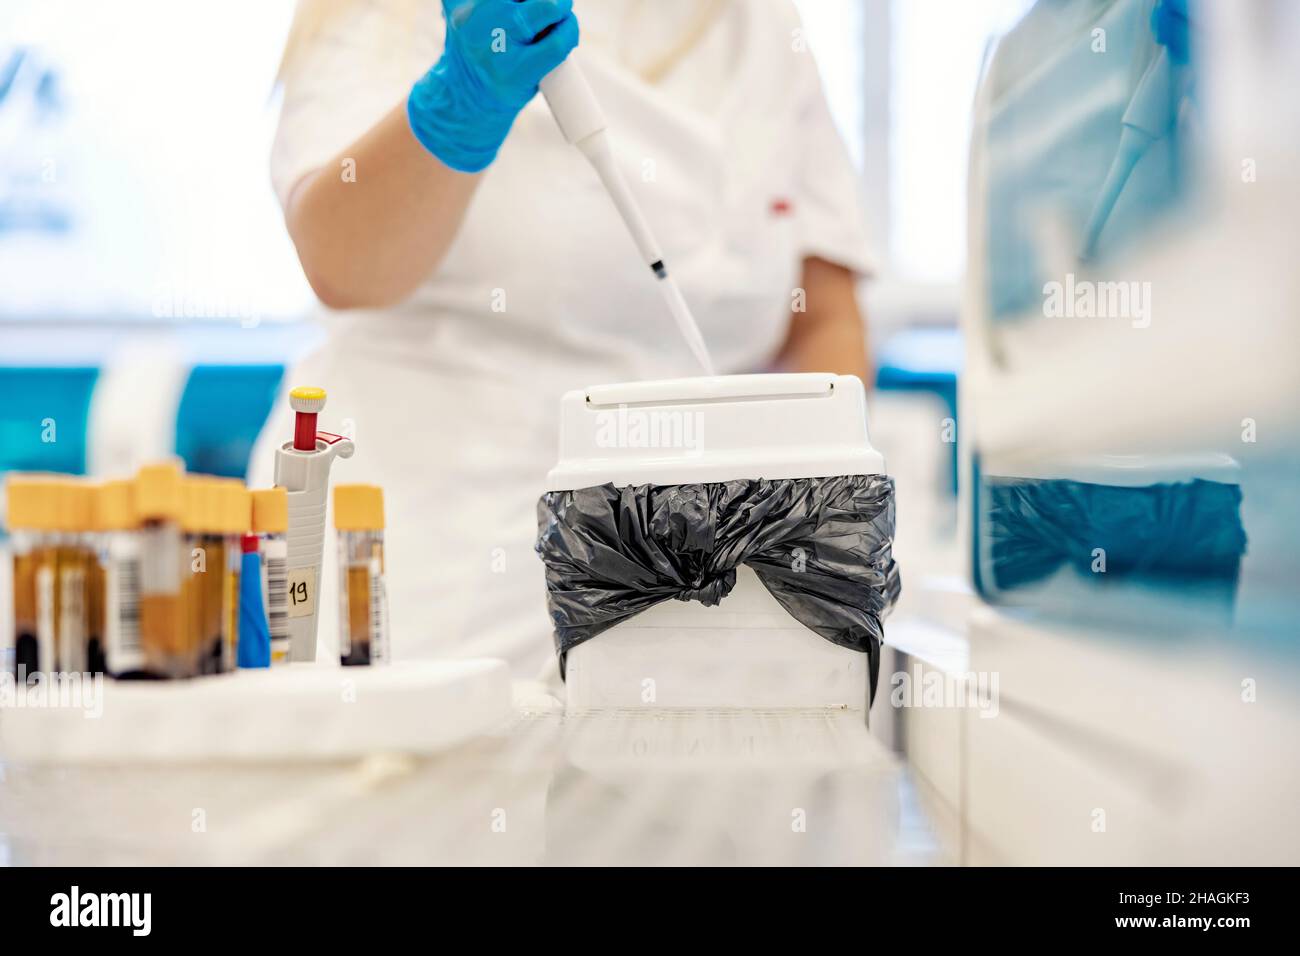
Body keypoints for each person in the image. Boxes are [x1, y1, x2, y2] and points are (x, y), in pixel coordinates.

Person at [250, 0, 878, 677]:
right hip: (428, 584)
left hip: (685, 610)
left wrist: (798, 514)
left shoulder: (759, 26)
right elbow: (343, 262)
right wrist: (462, 104)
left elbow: (822, 320)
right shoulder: (401, 13)